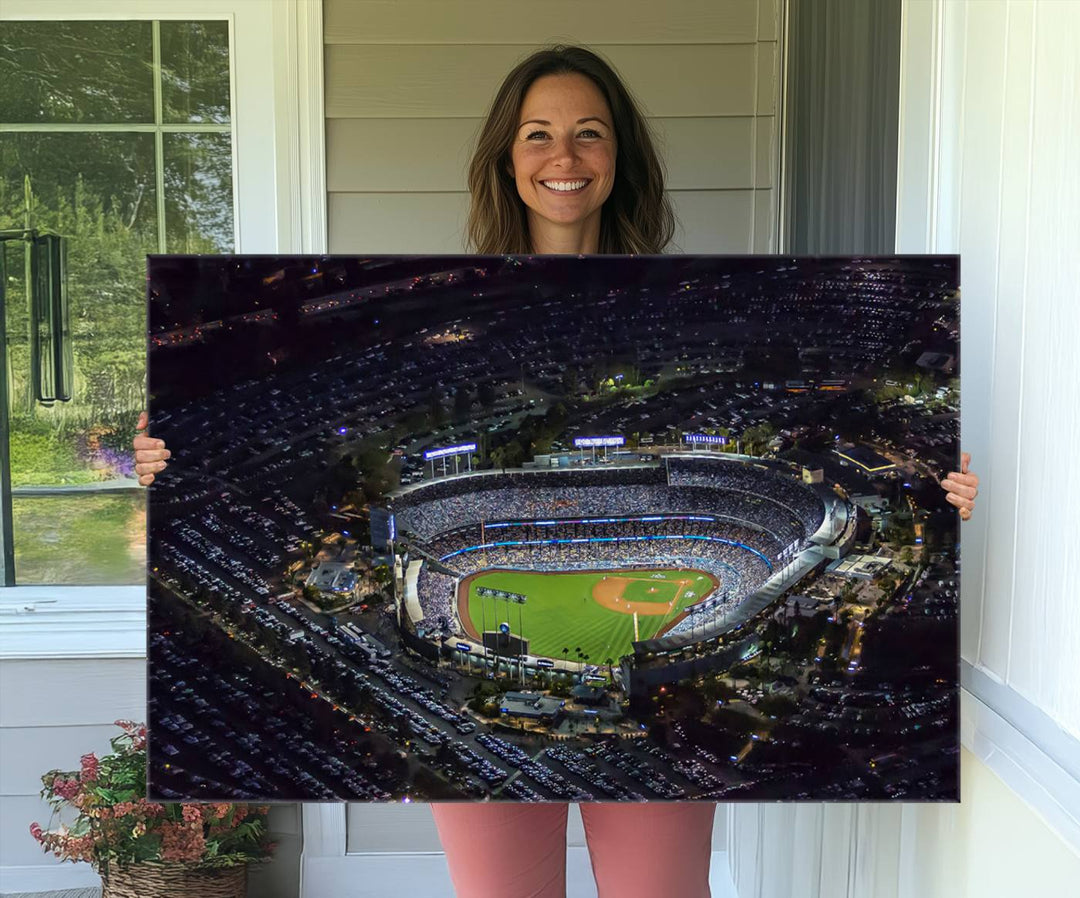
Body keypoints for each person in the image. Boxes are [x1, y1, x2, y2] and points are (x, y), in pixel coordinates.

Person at [134, 45, 979, 898]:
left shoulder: (680, 311)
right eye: (538, 135)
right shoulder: (453, 322)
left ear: (620, 158)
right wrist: (169, 461)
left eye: (589, 134)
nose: (564, 157)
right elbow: (327, 453)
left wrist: (943, 498)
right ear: (507, 157)